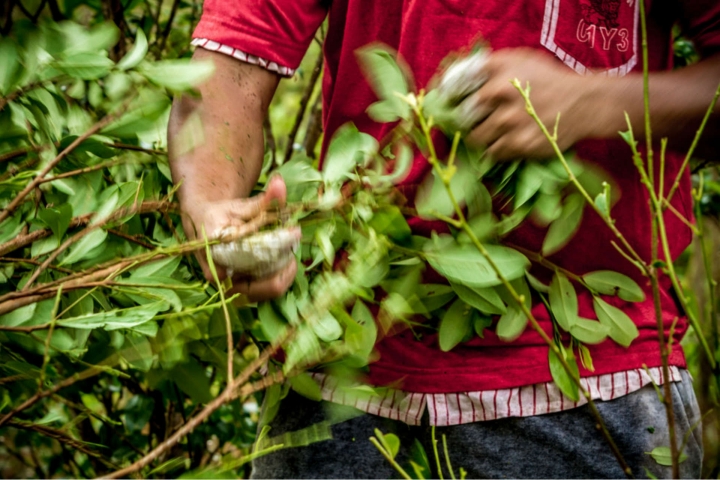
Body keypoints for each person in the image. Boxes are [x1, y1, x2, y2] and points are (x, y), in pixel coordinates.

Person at [168, 0, 720, 477]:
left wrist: (594, 102)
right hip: (342, 369)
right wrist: (214, 206)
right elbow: (229, 62)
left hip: (593, 382)